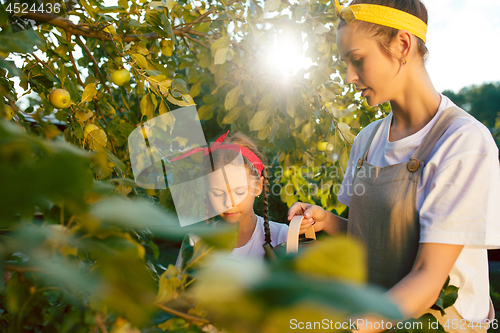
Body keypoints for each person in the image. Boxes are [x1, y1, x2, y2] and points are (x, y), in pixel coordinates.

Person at [288, 0, 500, 331]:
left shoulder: (463, 142)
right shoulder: (367, 140)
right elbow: (376, 242)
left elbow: (428, 278)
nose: (349, 77)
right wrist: (328, 220)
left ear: (402, 45)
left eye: (357, 60)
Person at [174, 131, 288, 268]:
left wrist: (322, 223)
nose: (228, 203)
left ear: (258, 186)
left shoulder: (282, 237)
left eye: (239, 191)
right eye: (217, 193)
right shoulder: (195, 243)